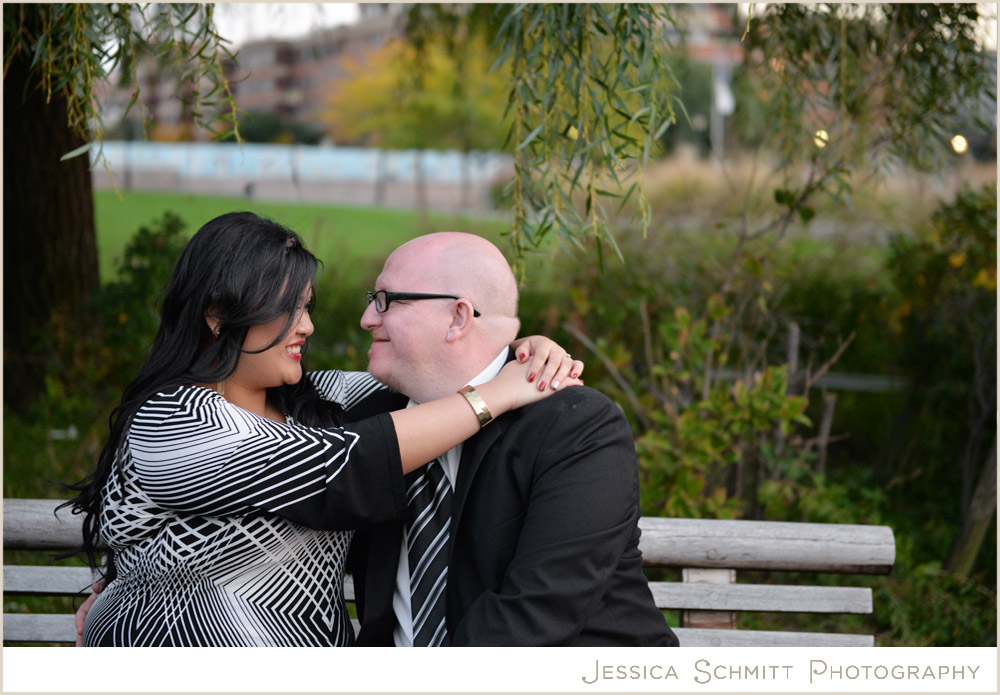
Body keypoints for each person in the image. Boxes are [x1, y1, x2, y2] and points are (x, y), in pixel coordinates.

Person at [68, 212, 582, 647]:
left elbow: (441, 372)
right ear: (219, 314)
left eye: (307, 306)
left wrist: (522, 346)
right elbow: (346, 465)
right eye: (288, 307)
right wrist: (498, 393)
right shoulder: (170, 420)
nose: (307, 326)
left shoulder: (328, 400)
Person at [344, 232, 678, 646]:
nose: (368, 319)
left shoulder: (575, 427)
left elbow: (536, 612)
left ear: (458, 318)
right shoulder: (367, 423)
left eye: (388, 300)